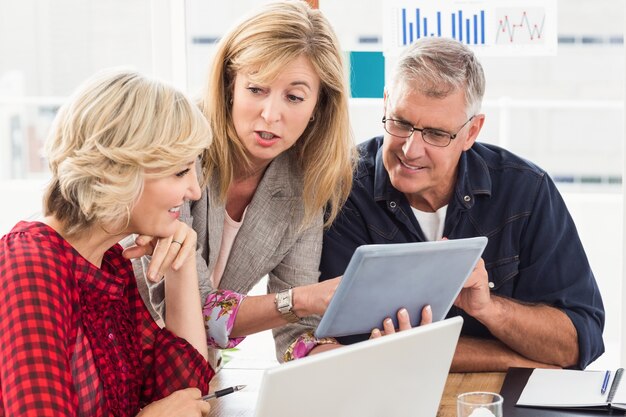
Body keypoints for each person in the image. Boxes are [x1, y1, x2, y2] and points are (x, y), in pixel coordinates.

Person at [319, 37, 605, 371]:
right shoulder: (343, 189)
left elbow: (578, 343)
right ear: (385, 105)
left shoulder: (526, 190)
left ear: (472, 132)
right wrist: (512, 359)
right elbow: (348, 348)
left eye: (437, 134)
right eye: (400, 122)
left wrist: (490, 309)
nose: (410, 150)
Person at [127, 0, 355, 368]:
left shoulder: (304, 180)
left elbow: (297, 333)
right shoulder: (179, 145)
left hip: (195, 375)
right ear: (230, 83)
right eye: (257, 89)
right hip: (121, 362)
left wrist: (337, 362)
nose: (271, 114)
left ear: (319, 106)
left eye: (294, 97)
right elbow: (194, 308)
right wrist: (300, 300)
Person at [0, 69, 215, 416]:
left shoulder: (110, 262)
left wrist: (182, 264)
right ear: (117, 170)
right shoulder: (30, 264)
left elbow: (186, 393)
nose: (194, 191)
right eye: (179, 171)